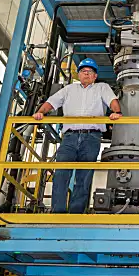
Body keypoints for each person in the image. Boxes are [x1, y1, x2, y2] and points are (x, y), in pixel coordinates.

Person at [32, 58, 121, 213]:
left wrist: (116, 112)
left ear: (95, 76)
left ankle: (76, 212)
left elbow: (112, 101)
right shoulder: (69, 89)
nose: (86, 74)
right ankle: (57, 211)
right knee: (61, 174)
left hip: (91, 137)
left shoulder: (102, 88)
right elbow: (52, 102)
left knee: (84, 176)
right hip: (69, 137)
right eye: (83, 71)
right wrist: (40, 112)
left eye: (90, 72)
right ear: (78, 75)